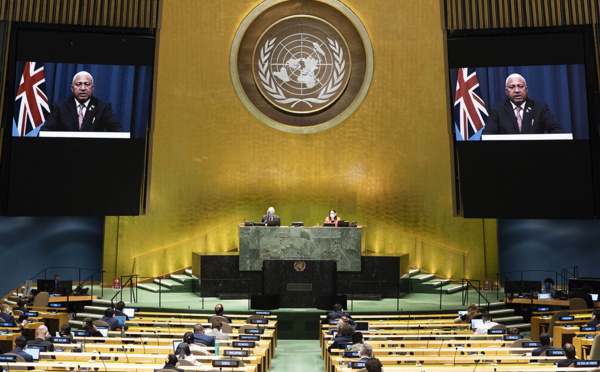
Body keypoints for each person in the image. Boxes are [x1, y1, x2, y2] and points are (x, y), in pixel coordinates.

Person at [482, 73, 562, 135]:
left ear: (526, 89)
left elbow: (557, 131)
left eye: (520, 86)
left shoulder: (540, 108)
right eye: (512, 87)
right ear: (506, 91)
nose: (517, 90)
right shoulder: (497, 110)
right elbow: (487, 135)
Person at [42, 71, 122, 132]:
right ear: (72, 88)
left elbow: (117, 130)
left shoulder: (103, 107)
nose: (83, 88)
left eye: (87, 84)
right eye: (78, 84)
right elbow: (45, 130)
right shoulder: (60, 106)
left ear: (92, 88)